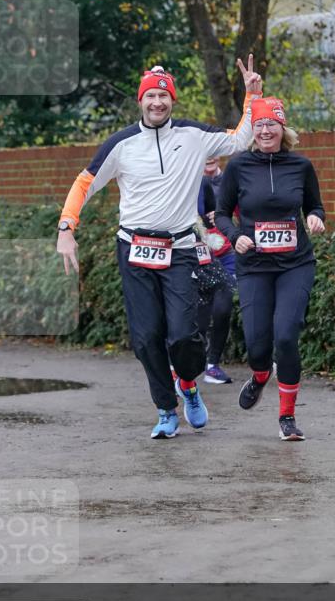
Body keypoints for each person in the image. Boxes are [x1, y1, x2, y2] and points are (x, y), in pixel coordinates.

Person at [56, 59, 263, 439]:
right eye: (150, 95)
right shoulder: (121, 144)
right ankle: (166, 409)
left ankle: (188, 384)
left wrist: (252, 95)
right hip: (134, 251)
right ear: (141, 100)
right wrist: (67, 226)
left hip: (180, 250)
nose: (157, 102)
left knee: (184, 334)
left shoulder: (193, 135)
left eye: (163, 96)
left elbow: (238, 139)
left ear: (172, 100)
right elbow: (84, 183)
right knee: (146, 338)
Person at [215, 97, 325, 441]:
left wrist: (315, 218)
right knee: (258, 344)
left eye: (271, 124)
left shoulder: (301, 166)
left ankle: (287, 417)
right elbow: (221, 214)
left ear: (282, 129)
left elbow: (316, 205)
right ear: (254, 131)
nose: (265, 130)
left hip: (295, 264)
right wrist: (235, 237)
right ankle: (261, 374)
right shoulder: (238, 166)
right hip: (254, 266)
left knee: (287, 336)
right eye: (259, 125)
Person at [197, 158, 236, 384]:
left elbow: (247, 213)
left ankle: (213, 364)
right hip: (197, 255)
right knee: (197, 315)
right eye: (205, 153)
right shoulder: (189, 181)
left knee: (222, 309)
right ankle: (189, 364)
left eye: (214, 153)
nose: (209, 158)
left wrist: (224, 218)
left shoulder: (232, 180)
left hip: (226, 255)